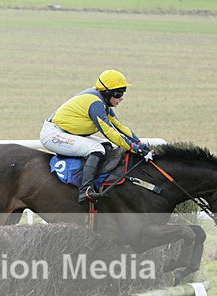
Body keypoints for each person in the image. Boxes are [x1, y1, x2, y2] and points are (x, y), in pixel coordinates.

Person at [40, 69, 151, 203]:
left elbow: (119, 126)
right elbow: (109, 132)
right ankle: (85, 190)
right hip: (54, 134)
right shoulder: (96, 104)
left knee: (106, 146)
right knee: (96, 149)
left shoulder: (102, 102)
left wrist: (139, 144)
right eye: (118, 93)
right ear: (107, 92)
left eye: (123, 92)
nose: (121, 98)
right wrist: (134, 148)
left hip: (67, 132)